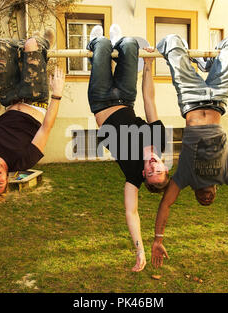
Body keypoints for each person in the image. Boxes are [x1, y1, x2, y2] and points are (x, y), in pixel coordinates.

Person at [150, 33, 228, 268]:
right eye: (209, 199)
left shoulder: (185, 177)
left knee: (172, 41)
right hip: (218, 99)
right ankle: (211, 64)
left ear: (194, 193)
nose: (206, 198)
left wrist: (157, 239)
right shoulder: (227, 174)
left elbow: (165, 205)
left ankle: (201, 60)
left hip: (191, 99)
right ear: (216, 190)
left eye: (201, 199)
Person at [87, 24, 169, 272]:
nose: (154, 165)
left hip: (101, 100)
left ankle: (96, 42)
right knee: (131, 44)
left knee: (100, 45)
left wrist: (140, 249)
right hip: (126, 97)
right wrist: (148, 68)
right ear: (165, 165)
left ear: (144, 174)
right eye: (160, 169)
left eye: (151, 171)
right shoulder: (161, 141)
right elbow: (150, 102)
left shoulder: (133, 175)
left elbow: (132, 213)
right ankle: (118, 41)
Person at [0, 30, 66, 198]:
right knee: (32, 44)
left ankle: (23, 52)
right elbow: (46, 128)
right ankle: (41, 44)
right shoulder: (23, 161)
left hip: (9, 98)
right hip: (35, 98)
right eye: (0, 183)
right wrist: (57, 94)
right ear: (7, 179)